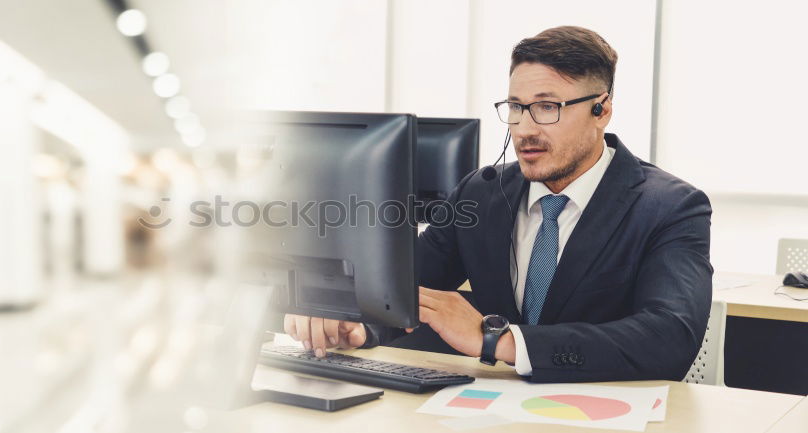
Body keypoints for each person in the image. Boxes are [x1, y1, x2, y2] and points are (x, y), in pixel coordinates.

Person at [284, 26, 712, 383]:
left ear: (602, 110)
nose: (524, 128)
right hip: (494, 413)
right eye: (515, 107)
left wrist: (499, 340)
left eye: (547, 107)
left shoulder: (670, 207)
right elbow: (404, 286)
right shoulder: (481, 192)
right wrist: (357, 324)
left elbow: (669, 337)